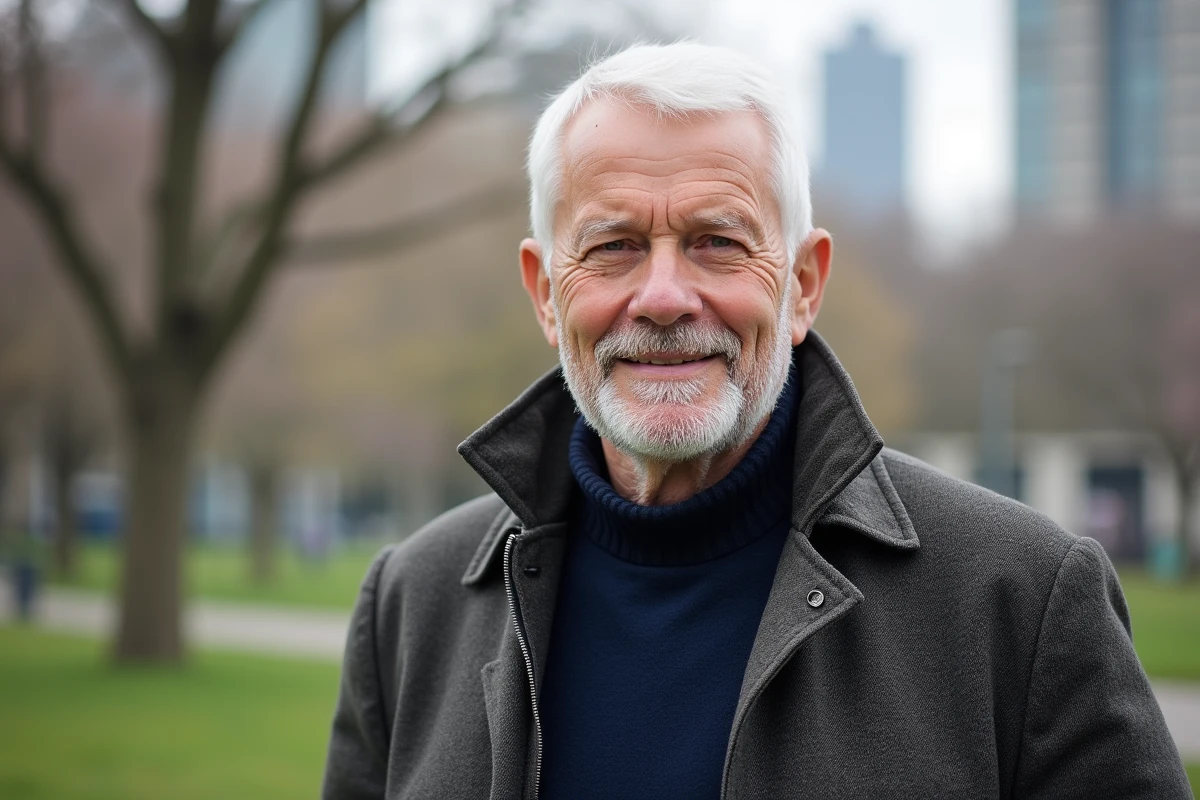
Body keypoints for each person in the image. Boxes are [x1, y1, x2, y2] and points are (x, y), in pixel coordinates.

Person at [322, 43, 1190, 799]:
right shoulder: (412, 604)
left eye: (719, 242)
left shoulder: (1021, 602)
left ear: (803, 284)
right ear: (546, 293)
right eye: (614, 245)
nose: (663, 298)